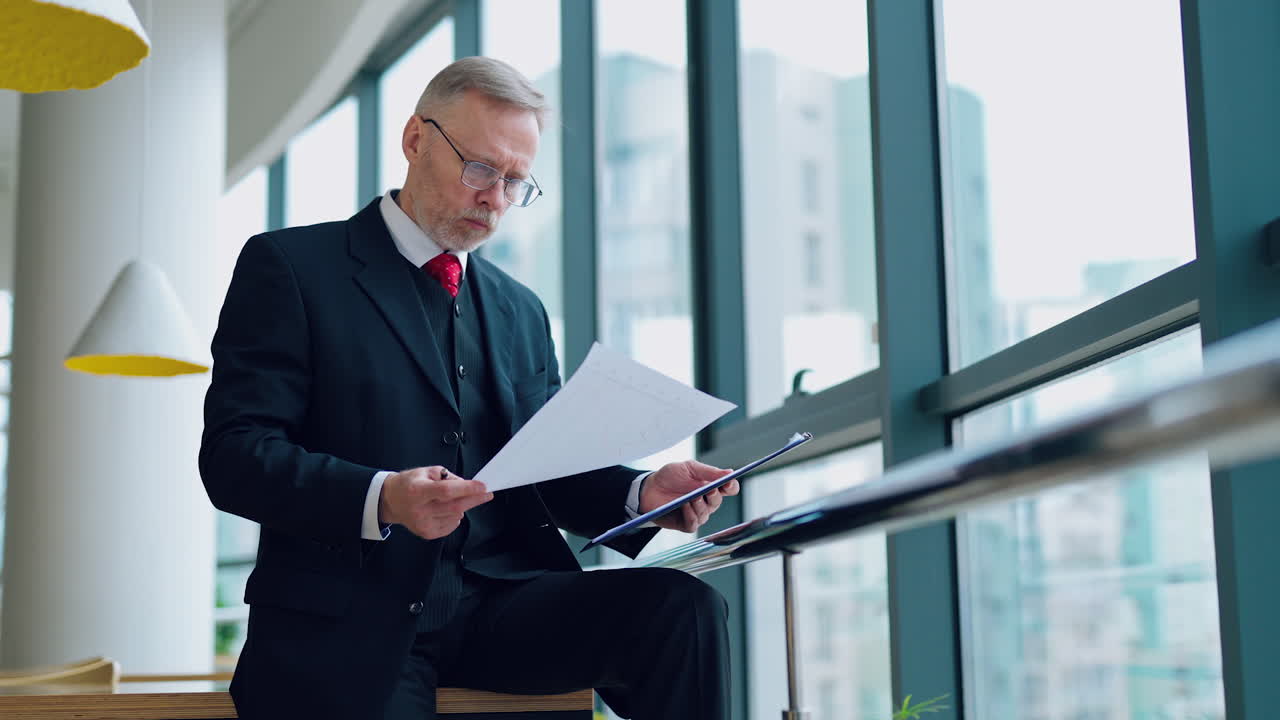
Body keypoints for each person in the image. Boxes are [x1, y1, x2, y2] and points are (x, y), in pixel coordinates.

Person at [199, 56, 738, 720]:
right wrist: (384, 499)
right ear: (415, 139)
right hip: (350, 620)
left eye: (516, 181)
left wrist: (638, 494)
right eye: (481, 169)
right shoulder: (291, 267)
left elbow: (545, 468)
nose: (496, 198)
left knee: (680, 609)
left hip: (501, 607)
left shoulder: (521, 310)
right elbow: (234, 457)